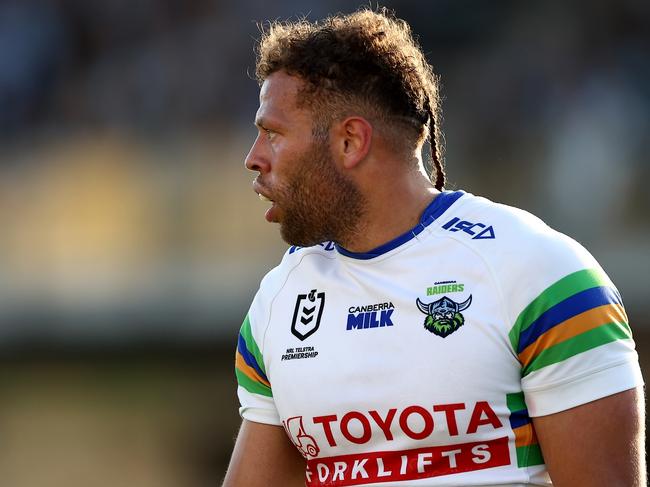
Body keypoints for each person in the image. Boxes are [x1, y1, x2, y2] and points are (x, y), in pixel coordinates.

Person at [223, 8, 645, 487]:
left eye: (273, 134)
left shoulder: (540, 275)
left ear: (350, 142)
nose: (253, 158)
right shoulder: (278, 304)